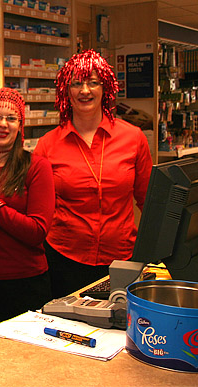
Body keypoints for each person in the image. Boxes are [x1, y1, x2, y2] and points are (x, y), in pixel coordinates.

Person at [34, 50, 152, 298]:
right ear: (66, 91)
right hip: (64, 260)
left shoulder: (133, 138)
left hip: (122, 259)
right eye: (76, 83)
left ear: (105, 88)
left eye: (92, 82)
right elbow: (40, 210)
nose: (84, 90)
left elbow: (148, 201)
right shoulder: (48, 144)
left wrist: (156, 253)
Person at [0, 88, 54, 329]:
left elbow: (37, 231)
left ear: (20, 126)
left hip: (25, 284)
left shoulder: (36, 167)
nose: (2, 124)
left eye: (11, 118)